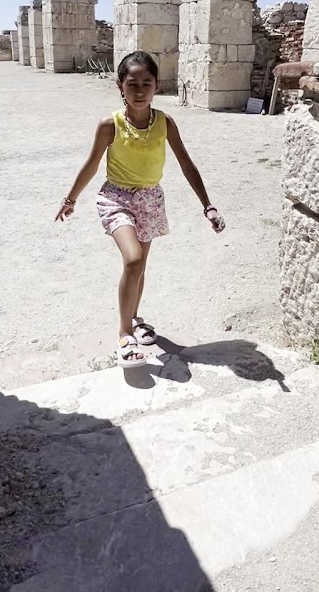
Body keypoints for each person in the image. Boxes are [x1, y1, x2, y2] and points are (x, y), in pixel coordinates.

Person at [55, 51, 224, 367]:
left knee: (139, 267)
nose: (140, 90)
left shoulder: (165, 123)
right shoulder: (110, 124)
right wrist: (70, 199)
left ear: (157, 86)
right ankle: (124, 335)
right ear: (120, 85)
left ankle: (133, 318)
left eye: (147, 83)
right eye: (132, 83)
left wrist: (207, 205)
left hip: (150, 200)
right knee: (133, 259)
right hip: (116, 198)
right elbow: (91, 164)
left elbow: (186, 163)